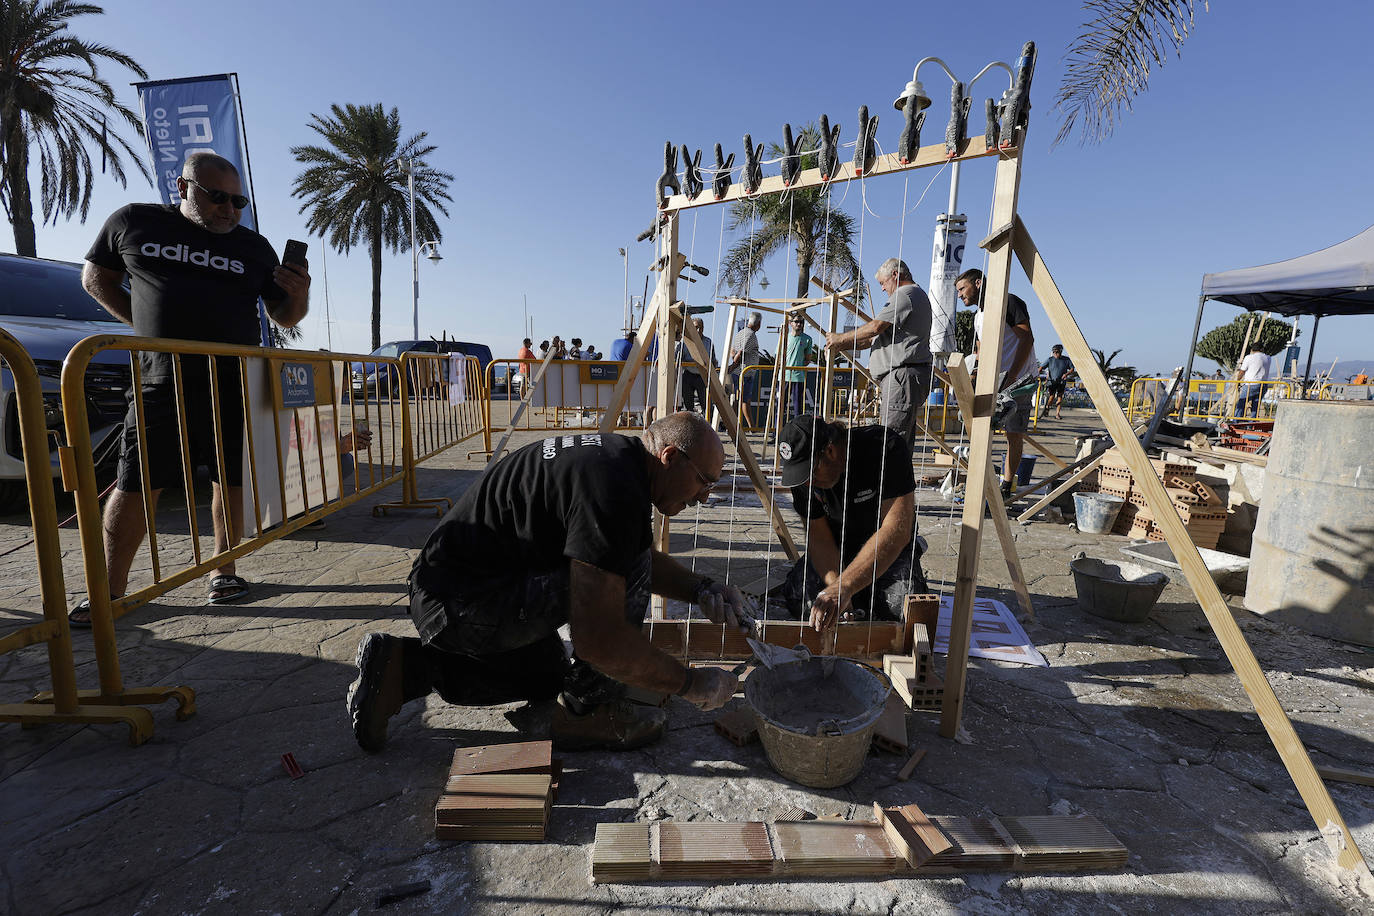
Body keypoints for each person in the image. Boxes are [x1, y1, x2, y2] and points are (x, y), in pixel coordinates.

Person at [347, 412, 749, 753]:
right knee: (611, 600)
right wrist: (690, 683)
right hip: (458, 604)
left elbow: (625, 551)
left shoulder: (617, 462)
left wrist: (702, 588)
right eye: (703, 481)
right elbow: (600, 640)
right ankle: (588, 711)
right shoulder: (614, 489)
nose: (703, 498)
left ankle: (405, 667)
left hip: (459, 593)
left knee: (550, 672)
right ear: (670, 456)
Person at [70, 152, 310, 625]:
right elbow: (95, 278)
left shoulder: (254, 247)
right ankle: (108, 593)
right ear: (183, 188)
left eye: (237, 200)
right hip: (162, 379)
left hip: (233, 379)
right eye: (216, 197)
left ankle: (225, 569)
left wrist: (299, 293)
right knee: (138, 480)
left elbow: (285, 316)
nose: (229, 209)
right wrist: (147, 328)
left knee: (231, 477)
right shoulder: (134, 222)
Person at [773, 415, 928, 629]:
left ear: (830, 450)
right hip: (838, 548)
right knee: (803, 600)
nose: (808, 483)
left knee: (902, 608)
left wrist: (844, 587)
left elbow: (897, 530)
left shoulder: (884, 448)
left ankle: (861, 591)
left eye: (811, 473)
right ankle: (860, 595)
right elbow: (819, 539)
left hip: (886, 550)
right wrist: (835, 587)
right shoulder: (805, 477)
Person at [823, 258, 932, 451]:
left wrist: (839, 339)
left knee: (891, 442)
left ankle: (890, 481)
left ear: (895, 275)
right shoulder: (914, 296)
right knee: (898, 442)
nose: (882, 289)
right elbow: (873, 339)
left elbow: (875, 327)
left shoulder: (905, 294)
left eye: (883, 283)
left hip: (902, 376)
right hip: (904, 376)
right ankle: (897, 480)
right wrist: (842, 343)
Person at [956, 268, 1037, 501]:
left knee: (1013, 433)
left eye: (963, 289)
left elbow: (1027, 338)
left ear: (978, 283)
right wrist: (974, 374)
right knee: (983, 429)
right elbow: (981, 348)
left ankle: (1007, 484)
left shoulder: (1009, 302)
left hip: (1019, 380)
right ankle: (984, 480)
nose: (960, 295)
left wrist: (1012, 376)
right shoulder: (978, 316)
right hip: (994, 379)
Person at [728, 311, 763, 426]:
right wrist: (733, 365)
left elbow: (733, 351)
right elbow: (739, 353)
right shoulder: (751, 335)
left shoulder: (740, 333)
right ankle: (749, 426)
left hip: (739, 372)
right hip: (745, 373)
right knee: (744, 400)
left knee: (739, 400)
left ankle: (737, 425)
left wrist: (733, 365)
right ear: (758, 323)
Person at [783, 313, 817, 420]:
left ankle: (798, 432)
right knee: (780, 406)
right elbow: (779, 356)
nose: (799, 324)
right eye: (796, 321)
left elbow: (808, 359)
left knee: (798, 408)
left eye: (801, 322)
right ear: (790, 323)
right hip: (784, 376)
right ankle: (776, 431)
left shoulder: (807, 339)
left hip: (798, 377)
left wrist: (798, 365)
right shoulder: (784, 337)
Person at [678, 318, 715, 414]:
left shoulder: (708, 342)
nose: (698, 330)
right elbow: (678, 357)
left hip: (702, 375)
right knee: (688, 402)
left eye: (700, 328)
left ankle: (707, 425)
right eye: (696, 328)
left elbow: (713, 359)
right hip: (688, 374)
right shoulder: (685, 341)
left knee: (705, 403)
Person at [1234, 343, 1271, 418]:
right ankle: (1252, 422)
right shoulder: (1268, 358)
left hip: (1251, 384)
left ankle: (1236, 420)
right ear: (1262, 349)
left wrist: (1237, 380)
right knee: (1256, 405)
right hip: (1263, 384)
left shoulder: (1248, 357)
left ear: (1251, 350)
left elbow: (1242, 371)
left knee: (1242, 403)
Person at [1039, 344, 1076, 420]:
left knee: (1060, 397)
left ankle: (1057, 414)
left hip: (1061, 382)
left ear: (1061, 352)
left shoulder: (1066, 360)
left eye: (1057, 352)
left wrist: (1066, 374)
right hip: (1052, 381)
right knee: (1051, 397)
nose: (1055, 354)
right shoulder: (1050, 359)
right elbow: (1041, 367)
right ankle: (1047, 408)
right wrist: (1036, 374)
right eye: (1054, 352)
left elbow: (1072, 369)